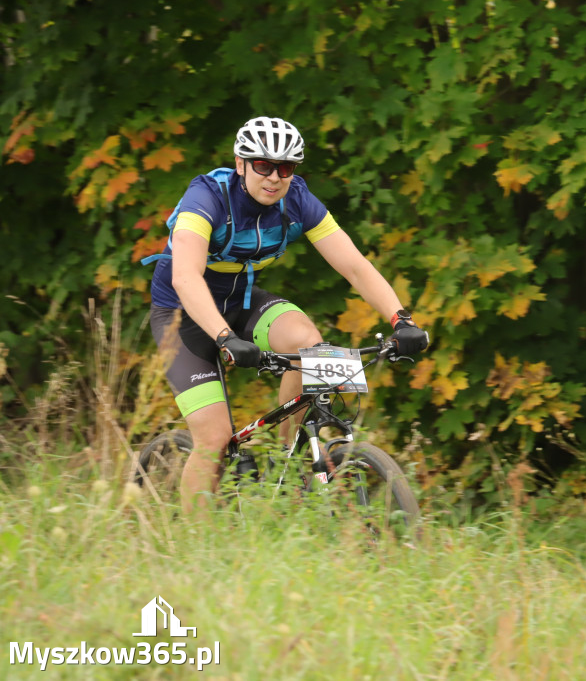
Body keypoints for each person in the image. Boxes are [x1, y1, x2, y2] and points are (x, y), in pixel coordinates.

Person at [146, 116, 428, 515]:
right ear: (241, 164)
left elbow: (355, 267)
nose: (275, 177)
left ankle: (287, 464)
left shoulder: (296, 199)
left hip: (240, 301)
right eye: (263, 165)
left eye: (286, 167)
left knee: (309, 345)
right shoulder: (206, 197)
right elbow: (186, 277)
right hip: (181, 312)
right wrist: (225, 338)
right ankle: (194, 541)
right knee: (213, 437)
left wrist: (402, 320)